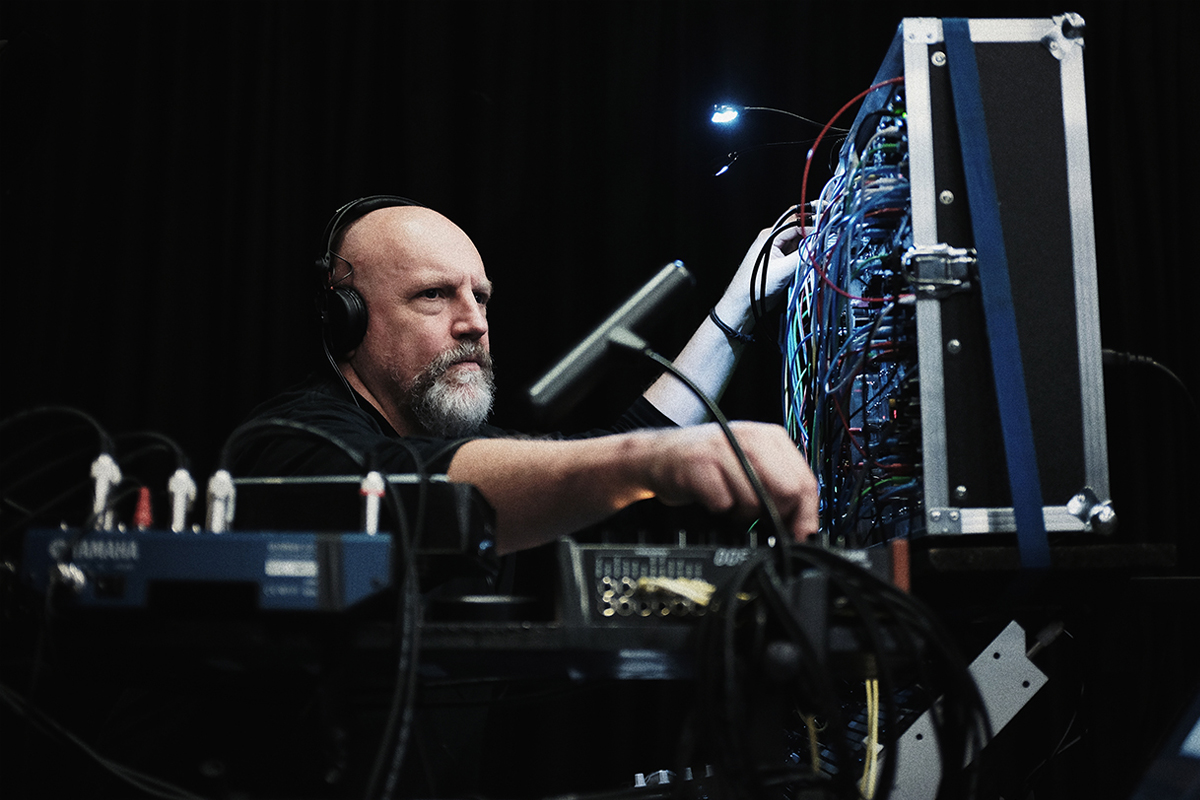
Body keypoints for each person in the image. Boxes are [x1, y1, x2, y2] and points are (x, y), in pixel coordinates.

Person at [236, 195, 818, 554]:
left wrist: (737, 309)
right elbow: (407, 484)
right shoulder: (287, 443)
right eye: (433, 295)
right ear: (348, 318)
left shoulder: (475, 450)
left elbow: (610, 466)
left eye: (481, 297)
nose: (474, 323)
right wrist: (646, 458)